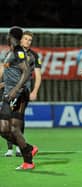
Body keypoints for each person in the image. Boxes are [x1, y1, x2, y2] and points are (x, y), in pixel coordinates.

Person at [0, 26, 38, 170]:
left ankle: (28, 162)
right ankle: (28, 148)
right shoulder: (9, 53)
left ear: (11, 36)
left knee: (15, 128)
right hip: (7, 94)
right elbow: (12, 73)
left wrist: (16, 89)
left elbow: (27, 71)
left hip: (19, 94)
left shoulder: (19, 51)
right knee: (3, 129)